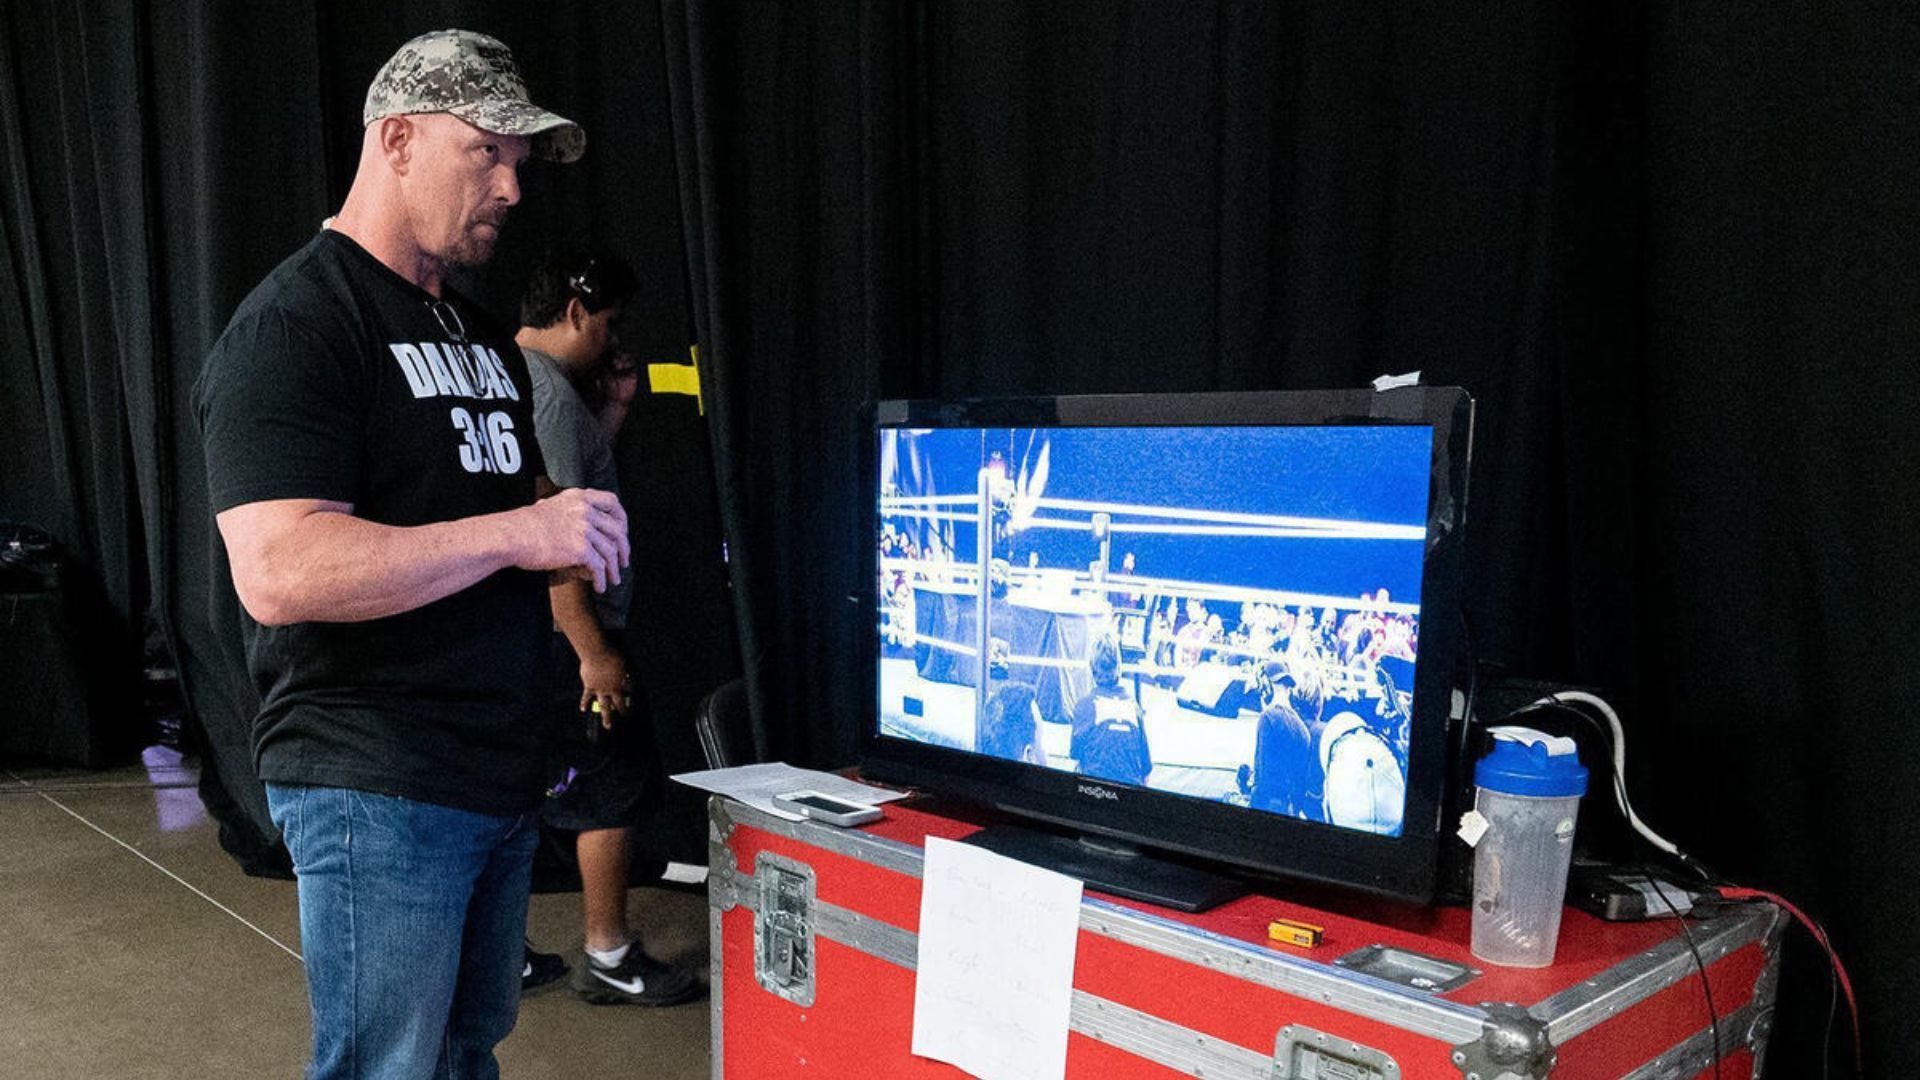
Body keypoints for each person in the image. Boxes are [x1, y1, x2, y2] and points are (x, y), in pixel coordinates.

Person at [195, 30, 622, 1078]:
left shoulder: (476, 337)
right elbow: (282, 570)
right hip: (377, 779)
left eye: (519, 162)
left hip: (492, 773)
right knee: (387, 1066)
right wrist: (526, 530)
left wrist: (551, 534)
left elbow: (480, 510)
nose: (512, 186)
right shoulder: (296, 326)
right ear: (396, 141)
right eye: (488, 152)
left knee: (464, 1056)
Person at [514, 248, 700, 1006]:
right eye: (610, 322)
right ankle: (610, 956)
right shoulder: (550, 397)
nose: (613, 339)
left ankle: (503, 952)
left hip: (540, 635)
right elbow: (553, 537)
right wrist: (593, 651)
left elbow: (567, 490)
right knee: (612, 788)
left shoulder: (518, 380)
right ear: (576, 311)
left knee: (524, 788)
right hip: (573, 634)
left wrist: (614, 411)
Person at [1070, 637, 1152, 785]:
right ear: (1119, 668)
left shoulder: (1084, 705)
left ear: (1092, 668)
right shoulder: (1135, 707)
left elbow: (1075, 753)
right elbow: (1146, 769)